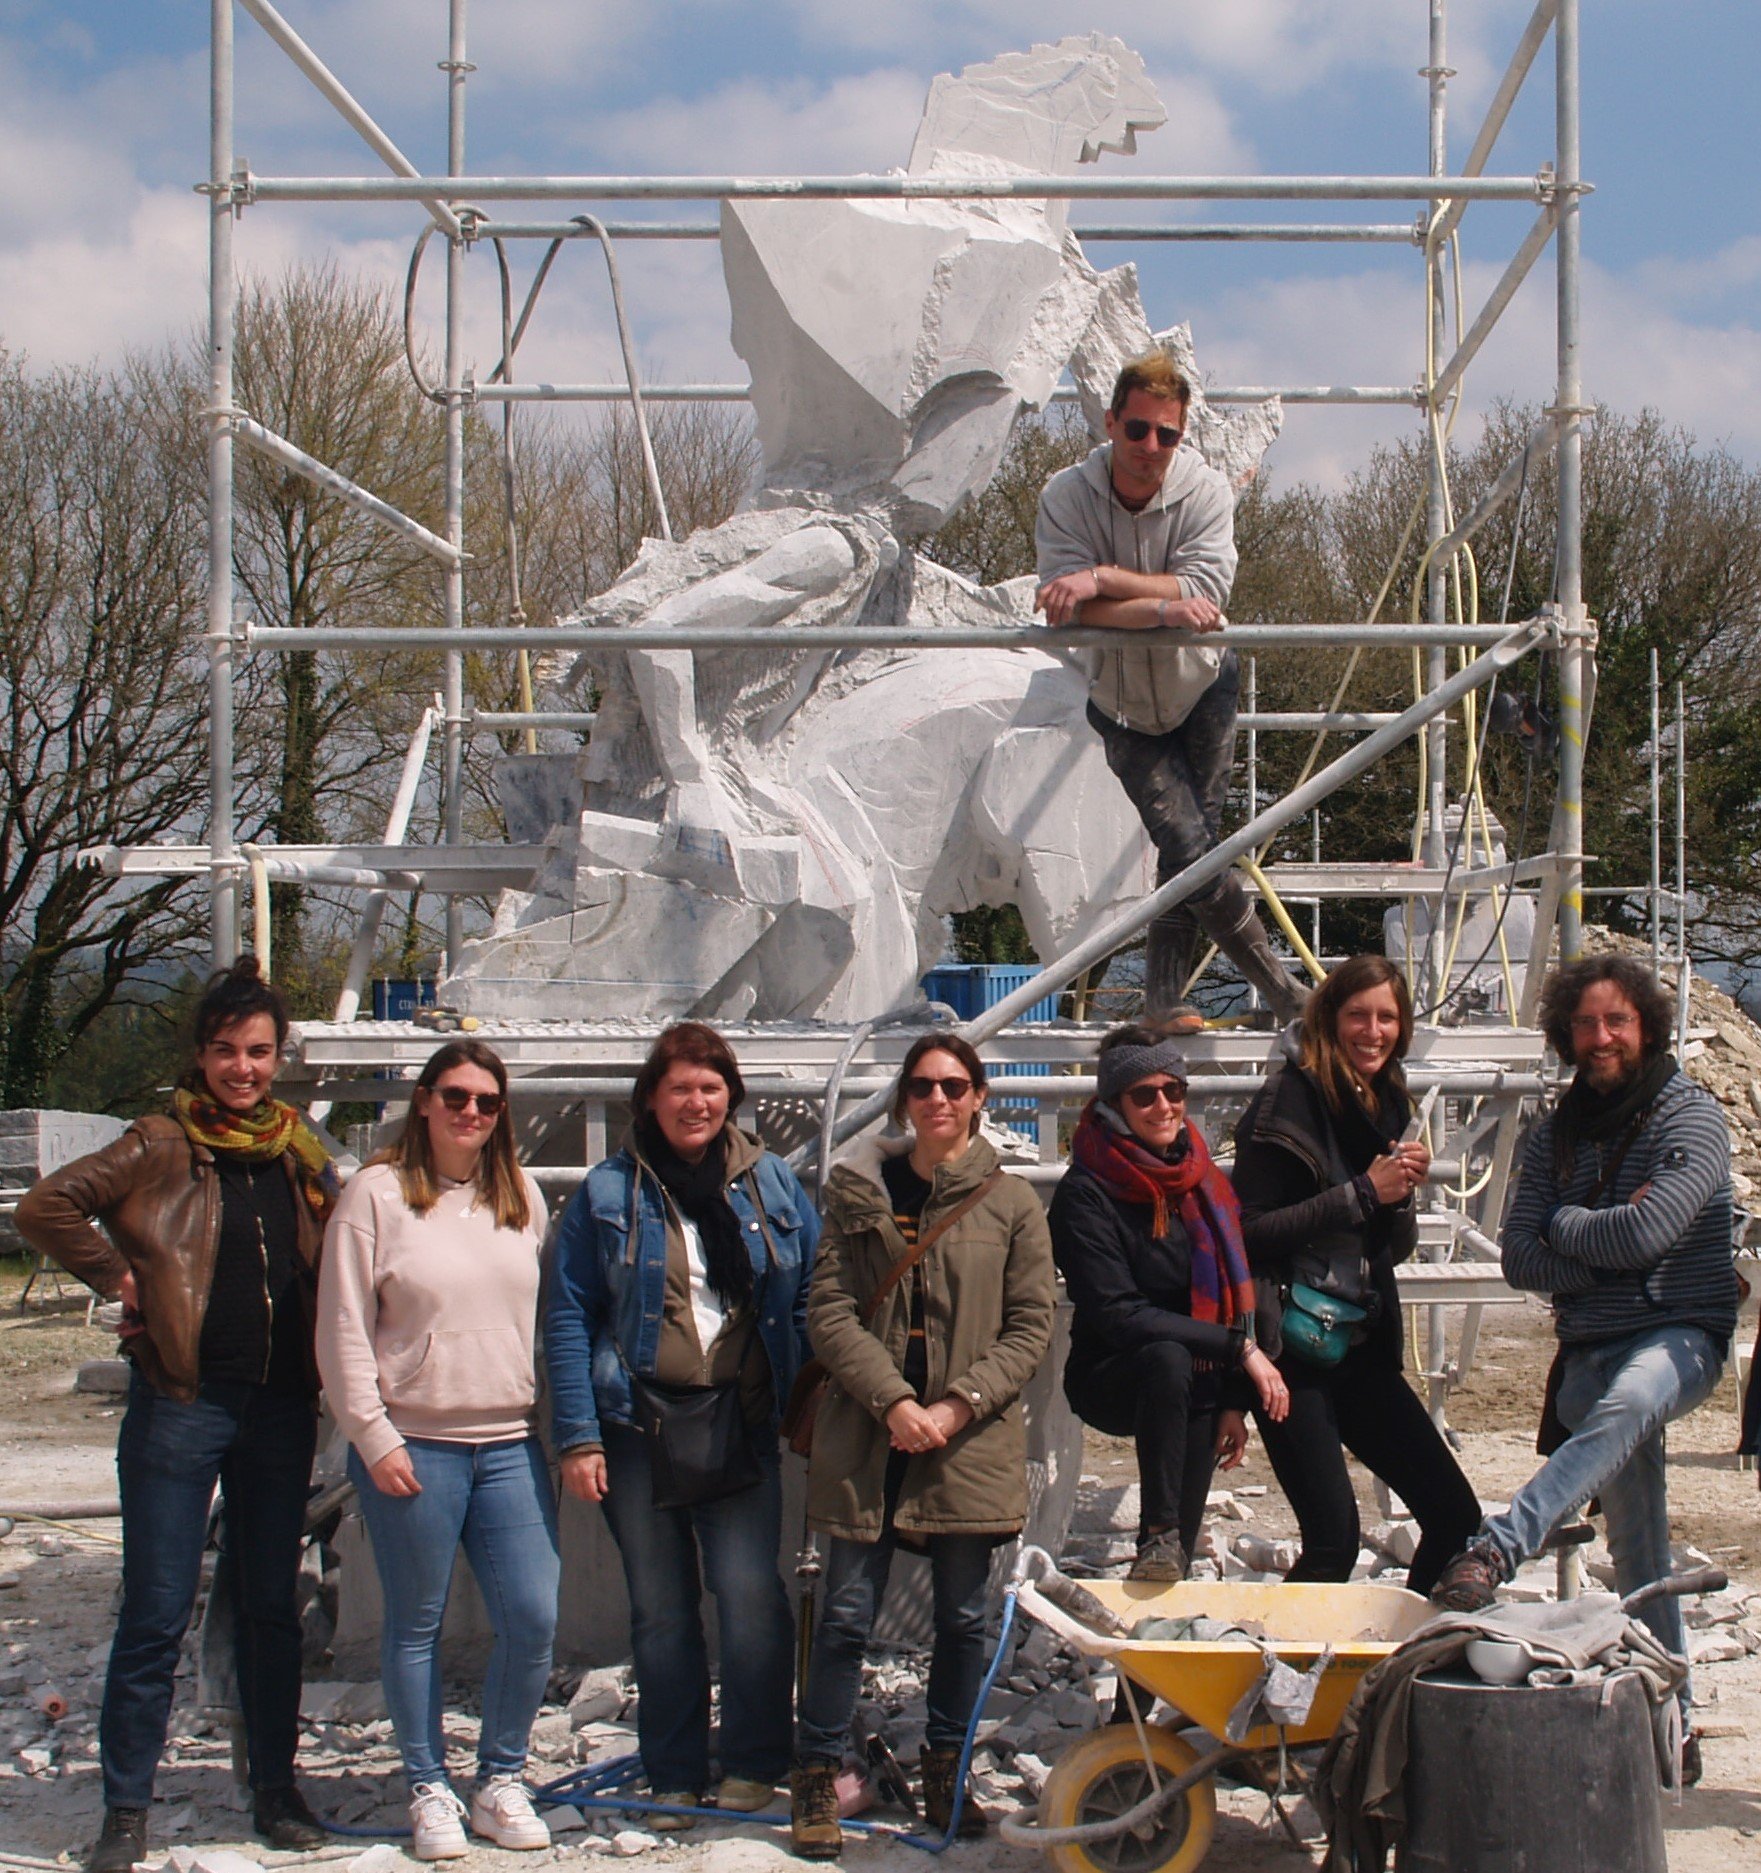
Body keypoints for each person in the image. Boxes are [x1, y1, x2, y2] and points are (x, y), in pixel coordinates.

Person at [16, 959, 338, 1873]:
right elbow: (46, 1205)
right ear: (201, 1054)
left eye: (259, 1051)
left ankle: (275, 1792)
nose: (243, 1067)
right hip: (182, 1403)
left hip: (279, 1406)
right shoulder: (159, 1143)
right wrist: (118, 1276)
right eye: (227, 1050)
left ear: (278, 1057)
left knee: (271, 1606)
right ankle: (126, 1811)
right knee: (157, 1610)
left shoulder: (297, 1150)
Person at [1430, 956, 1738, 1766]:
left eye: (1616, 1021)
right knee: (1638, 1548)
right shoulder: (1554, 1134)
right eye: (1585, 1023)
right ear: (1564, 1032)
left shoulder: (1691, 1119)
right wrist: (1598, 1236)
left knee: (1631, 1401)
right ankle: (1671, 1727)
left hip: (1678, 1334)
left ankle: (1498, 1544)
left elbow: (1646, 1232)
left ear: (1646, 1027)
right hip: (1587, 1349)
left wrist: (1566, 1226)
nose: (1600, 1037)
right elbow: (1518, 1259)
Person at [789, 1035, 1056, 1861]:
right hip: (870, 1433)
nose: (938, 1098)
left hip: (964, 1441)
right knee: (843, 1615)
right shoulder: (859, 1190)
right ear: (903, 1098)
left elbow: (1029, 1325)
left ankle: (946, 1768)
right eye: (922, 1085)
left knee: (962, 1618)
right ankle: (816, 1776)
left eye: (954, 1084)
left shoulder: (1011, 1203)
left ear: (979, 1096)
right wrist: (894, 1400)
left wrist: (954, 1404)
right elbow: (828, 1309)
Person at [545, 1023, 819, 1828]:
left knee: (750, 1594)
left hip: (740, 1419)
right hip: (638, 1428)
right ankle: (673, 1771)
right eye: (679, 1088)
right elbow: (567, 1314)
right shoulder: (607, 1191)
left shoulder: (770, 1182)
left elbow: (809, 1291)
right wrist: (577, 1434)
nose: (695, 1102)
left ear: (730, 1094)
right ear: (650, 1098)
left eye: (709, 1086)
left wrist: (811, 1399)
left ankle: (754, 1760)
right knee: (660, 1606)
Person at [316, 1040, 555, 1859]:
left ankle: (500, 1778)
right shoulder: (374, 1195)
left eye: (487, 1101)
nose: (471, 1112)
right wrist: (371, 1432)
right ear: (423, 1100)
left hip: (508, 1441)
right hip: (414, 1444)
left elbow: (543, 1315)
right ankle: (427, 1784)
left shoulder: (520, 1194)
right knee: (416, 1622)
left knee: (532, 1615)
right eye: (455, 1096)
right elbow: (342, 1325)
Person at [1034, 346, 1307, 1028]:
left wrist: (1100, 581)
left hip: (1202, 686)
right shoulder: (1065, 495)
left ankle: (1162, 1000)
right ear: (1109, 423)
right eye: (1137, 429)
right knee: (1189, 844)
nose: (1151, 446)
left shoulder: (1205, 492)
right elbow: (1066, 611)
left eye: (1167, 434)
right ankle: (1284, 994)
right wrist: (1160, 608)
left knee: (1191, 844)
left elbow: (1205, 593)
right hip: (1120, 708)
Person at [1230, 955, 1480, 1595]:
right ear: (1330, 1020)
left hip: (1360, 1341)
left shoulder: (1388, 1100)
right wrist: (1366, 1192)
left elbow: (1390, 1247)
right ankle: (1279, 1659)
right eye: (1358, 1016)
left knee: (1456, 1517)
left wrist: (1398, 1198)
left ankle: (1403, 1649)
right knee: (1333, 1541)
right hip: (1290, 1348)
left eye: (1387, 1018)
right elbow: (1248, 1231)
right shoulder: (1286, 1100)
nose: (1373, 1032)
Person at [1049, 1025, 1289, 1582]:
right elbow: (1118, 1314)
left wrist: (1234, 1398)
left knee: (1180, 1545)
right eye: (1144, 1095)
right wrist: (1239, 1349)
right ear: (1114, 1104)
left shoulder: (1200, 1178)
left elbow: (1236, 1289)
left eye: (1174, 1090)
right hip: (1115, 1372)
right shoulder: (1085, 1193)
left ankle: (1166, 1559)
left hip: (1202, 1375)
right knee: (1167, 1355)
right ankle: (1156, 1534)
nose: (1164, 1106)